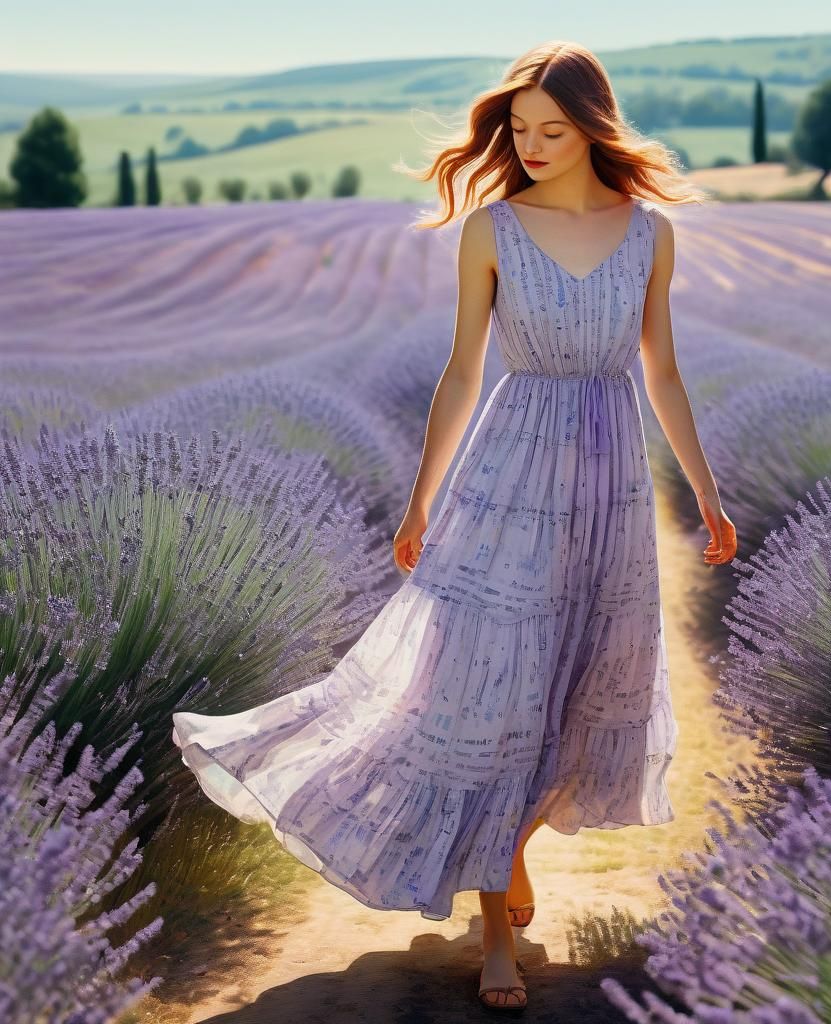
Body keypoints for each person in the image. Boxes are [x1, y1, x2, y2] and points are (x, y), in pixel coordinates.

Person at [171, 39, 737, 1013]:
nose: (531, 145)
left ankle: (505, 846)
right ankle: (494, 939)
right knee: (492, 693)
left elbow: (663, 373)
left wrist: (708, 493)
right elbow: (463, 373)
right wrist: (421, 498)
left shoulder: (647, 232)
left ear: (594, 127)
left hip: (607, 483)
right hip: (508, 475)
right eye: (518, 130)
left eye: (551, 129)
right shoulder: (490, 228)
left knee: (582, 677)